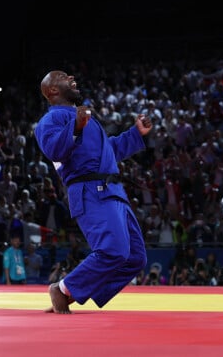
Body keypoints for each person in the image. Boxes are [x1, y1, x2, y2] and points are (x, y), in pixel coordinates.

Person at [34, 70, 153, 314]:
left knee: (135, 258)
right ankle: (63, 289)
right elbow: (54, 150)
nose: (72, 78)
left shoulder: (84, 118)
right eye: (64, 77)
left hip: (113, 192)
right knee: (113, 250)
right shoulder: (51, 121)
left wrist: (135, 133)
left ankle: (72, 292)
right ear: (52, 90)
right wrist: (75, 127)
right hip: (90, 190)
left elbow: (109, 150)